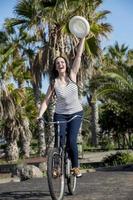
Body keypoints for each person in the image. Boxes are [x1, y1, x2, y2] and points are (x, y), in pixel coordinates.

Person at [38, 37, 85, 177]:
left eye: (62, 62)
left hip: (76, 113)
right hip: (60, 114)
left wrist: (82, 38)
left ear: (66, 64)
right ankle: (57, 168)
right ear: (55, 67)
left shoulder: (72, 75)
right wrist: (39, 114)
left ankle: (75, 167)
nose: (60, 64)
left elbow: (78, 55)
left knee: (71, 140)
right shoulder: (54, 83)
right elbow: (46, 101)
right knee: (60, 141)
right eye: (57, 63)